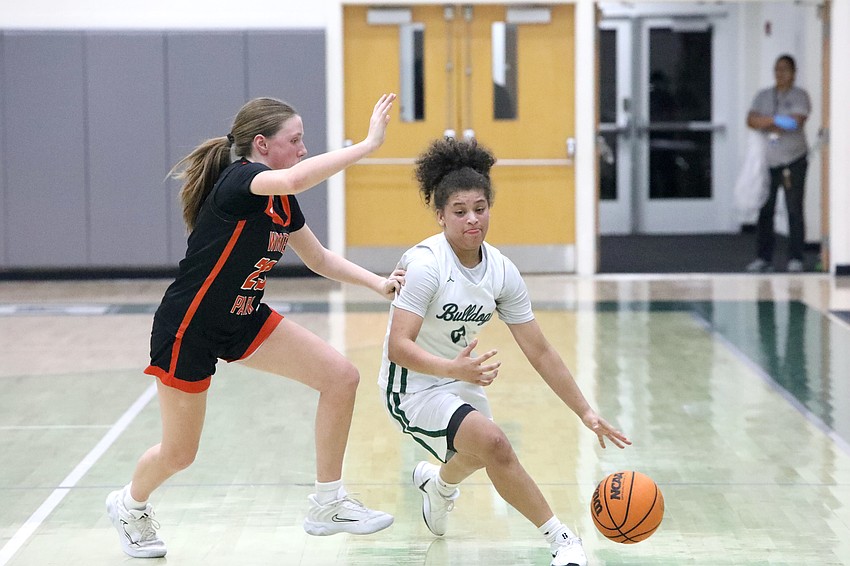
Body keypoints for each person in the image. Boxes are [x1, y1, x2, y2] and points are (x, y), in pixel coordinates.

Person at [106, 93, 405, 558]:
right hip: (189, 326)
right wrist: (366, 145)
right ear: (262, 145)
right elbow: (295, 177)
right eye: (296, 139)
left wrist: (378, 283)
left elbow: (319, 259)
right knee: (180, 453)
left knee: (341, 377)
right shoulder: (240, 181)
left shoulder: (281, 201)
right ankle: (128, 505)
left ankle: (327, 504)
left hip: (243, 317)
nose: (304, 148)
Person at [377, 137, 631, 566]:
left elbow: (540, 350)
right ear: (440, 216)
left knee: (476, 456)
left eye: (480, 208)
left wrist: (584, 411)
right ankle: (563, 539)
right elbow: (398, 347)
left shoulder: (501, 271)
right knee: (495, 443)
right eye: (459, 212)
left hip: (459, 375)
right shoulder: (426, 265)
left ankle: (437, 486)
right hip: (414, 387)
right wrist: (454, 370)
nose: (472, 219)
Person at [745, 54, 811, 273]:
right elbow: (751, 120)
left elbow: (795, 122)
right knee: (766, 209)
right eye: (777, 69)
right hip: (769, 161)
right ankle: (763, 258)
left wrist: (769, 121)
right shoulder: (764, 96)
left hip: (794, 160)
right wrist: (774, 120)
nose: (779, 74)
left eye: (784, 70)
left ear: (793, 73)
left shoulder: (800, 96)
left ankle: (795, 258)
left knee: (794, 209)